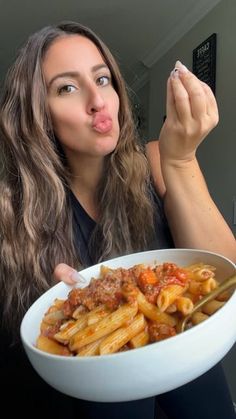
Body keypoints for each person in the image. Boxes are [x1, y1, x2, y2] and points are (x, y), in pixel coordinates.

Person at [0, 21, 235, 419]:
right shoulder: (11, 209)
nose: (97, 100)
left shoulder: (159, 159)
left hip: (188, 367)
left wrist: (181, 159)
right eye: (67, 88)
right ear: (38, 115)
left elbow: (227, 280)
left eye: (103, 79)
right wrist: (54, 303)